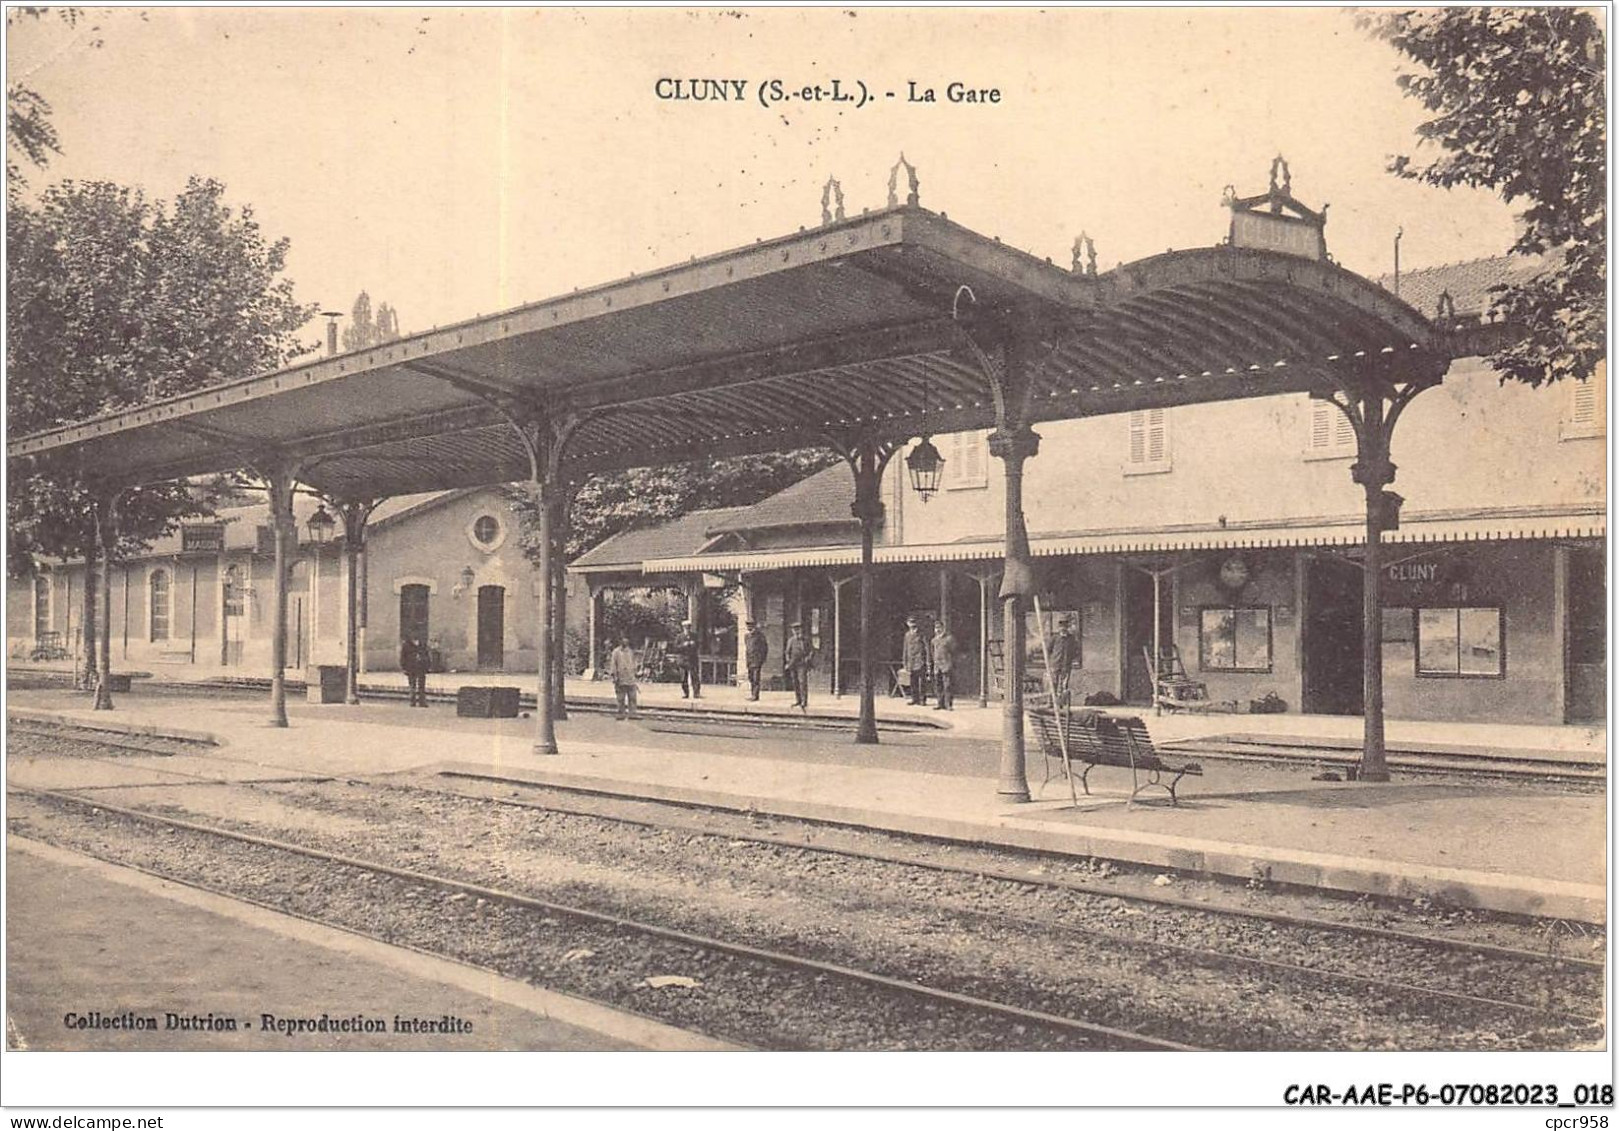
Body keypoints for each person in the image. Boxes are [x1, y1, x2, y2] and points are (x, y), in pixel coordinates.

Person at [783, 621, 814, 712]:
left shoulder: (806, 640)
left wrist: (807, 659)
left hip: (802, 664)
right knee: (795, 682)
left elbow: (812, 651)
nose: (796, 631)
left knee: (802, 682)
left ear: (801, 630)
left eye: (798, 629)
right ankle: (798, 700)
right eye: (795, 630)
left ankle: (804, 701)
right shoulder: (791, 641)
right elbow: (787, 652)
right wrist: (788, 661)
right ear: (793, 631)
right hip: (793, 664)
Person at [1047, 615, 1078, 704]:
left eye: (1065, 625)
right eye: (1061, 625)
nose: (1063, 628)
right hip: (1055, 665)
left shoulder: (1071, 638)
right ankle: (1051, 703)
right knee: (1053, 684)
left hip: (1066, 665)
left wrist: (1070, 660)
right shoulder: (1054, 638)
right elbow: (1048, 650)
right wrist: (1052, 661)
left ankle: (1062, 704)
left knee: (1064, 685)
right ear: (1059, 627)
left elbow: (1075, 651)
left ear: (1067, 626)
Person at [608, 636, 640, 720]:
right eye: (624, 640)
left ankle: (632, 713)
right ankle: (621, 713)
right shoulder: (616, 652)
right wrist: (614, 676)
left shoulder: (630, 652)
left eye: (627, 640)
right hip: (620, 678)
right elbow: (613, 664)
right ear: (621, 642)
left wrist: (635, 672)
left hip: (630, 678)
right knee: (621, 698)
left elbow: (633, 663)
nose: (625, 642)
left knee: (632, 697)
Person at [901, 616, 931, 706]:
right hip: (911, 661)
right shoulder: (907, 635)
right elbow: (905, 649)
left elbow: (927, 648)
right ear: (907, 624)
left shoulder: (921, 634)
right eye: (910, 622)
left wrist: (927, 660)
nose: (912, 624)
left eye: (913, 622)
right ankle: (915, 699)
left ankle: (922, 699)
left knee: (922, 681)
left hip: (920, 661)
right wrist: (905, 661)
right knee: (913, 681)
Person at [931, 619, 957, 710]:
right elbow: (932, 652)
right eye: (936, 628)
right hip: (937, 666)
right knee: (938, 686)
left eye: (939, 628)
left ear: (943, 628)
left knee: (948, 686)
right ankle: (940, 703)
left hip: (946, 665)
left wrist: (950, 663)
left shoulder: (949, 639)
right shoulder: (934, 640)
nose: (937, 630)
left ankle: (948, 704)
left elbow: (954, 652)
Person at [400, 634, 430, 708]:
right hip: (411, 668)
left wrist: (427, 666)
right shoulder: (406, 645)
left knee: (421, 686)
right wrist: (404, 668)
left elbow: (426, 655)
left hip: (421, 668)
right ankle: (412, 701)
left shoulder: (422, 645)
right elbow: (403, 657)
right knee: (412, 685)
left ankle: (422, 701)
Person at [743, 619, 769, 701]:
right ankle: (752, 694)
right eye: (748, 625)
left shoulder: (759, 636)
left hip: (757, 661)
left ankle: (755, 695)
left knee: (756, 678)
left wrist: (762, 659)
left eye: (750, 625)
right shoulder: (746, 636)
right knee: (751, 678)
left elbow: (765, 648)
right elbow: (748, 649)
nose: (749, 627)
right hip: (749, 661)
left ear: (754, 626)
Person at [677, 620, 702, 699]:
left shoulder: (694, 636)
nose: (687, 629)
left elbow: (698, 645)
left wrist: (693, 644)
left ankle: (696, 693)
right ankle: (686, 693)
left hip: (692, 659)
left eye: (688, 628)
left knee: (695, 677)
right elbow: (676, 648)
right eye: (685, 628)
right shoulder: (679, 637)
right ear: (683, 628)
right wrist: (683, 645)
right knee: (683, 678)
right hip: (683, 660)